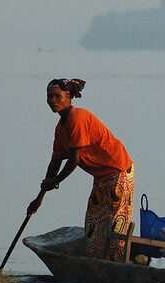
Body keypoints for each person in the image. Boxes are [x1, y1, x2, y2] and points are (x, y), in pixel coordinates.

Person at [27, 78, 134, 262]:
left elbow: (73, 161)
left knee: (115, 224)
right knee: (93, 224)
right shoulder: (61, 128)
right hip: (101, 177)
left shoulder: (78, 118)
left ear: (68, 97)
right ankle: (97, 264)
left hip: (119, 170)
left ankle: (116, 263)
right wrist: (39, 198)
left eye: (57, 96)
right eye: (49, 96)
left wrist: (56, 181)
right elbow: (55, 163)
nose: (52, 100)